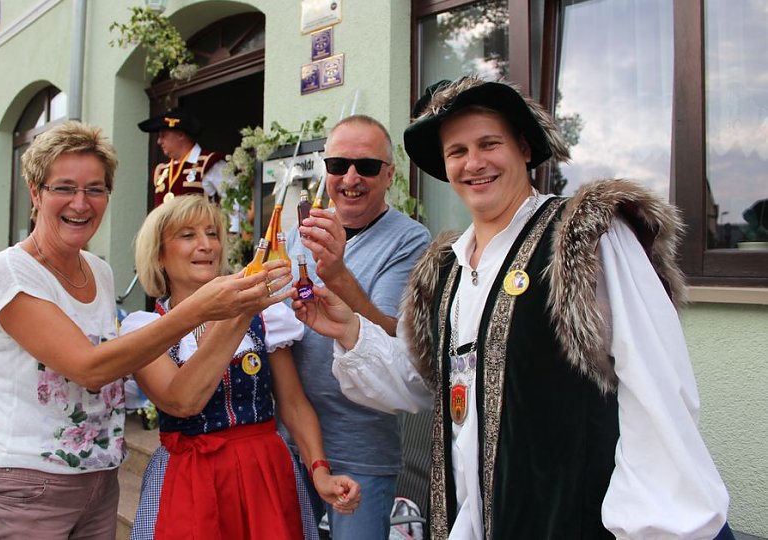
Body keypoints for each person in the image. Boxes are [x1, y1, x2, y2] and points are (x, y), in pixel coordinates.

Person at [294, 77, 733, 539]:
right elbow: (422, 389)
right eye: (457, 151)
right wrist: (348, 328)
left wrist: (653, 528)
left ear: (524, 148)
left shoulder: (584, 239)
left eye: (489, 143)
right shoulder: (447, 271)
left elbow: (657, 392)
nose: (474, 163)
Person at [0, 121, 290, 538]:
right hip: (27, 482)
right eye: (64, 188)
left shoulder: (98, 272)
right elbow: (89, 368)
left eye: (95, 189)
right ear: (35, 192)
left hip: (99, 480)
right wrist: (199, 309)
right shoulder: (10, 272)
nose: (81, 203)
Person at [122, 195, 360, 540]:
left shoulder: (264, 315)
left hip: (265, 472)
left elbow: (292, 403)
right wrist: (237, 312)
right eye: (188, 236)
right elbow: (181, 402)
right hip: (190, 476)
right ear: (159, 254)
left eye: (212, 234)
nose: (206, 246)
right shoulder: (144, 329)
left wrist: (320, 471)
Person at [285, 115, 431, 539]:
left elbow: (392, 336)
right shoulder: (302, 232)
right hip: (293, 436)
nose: (351, 177)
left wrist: (337, 273)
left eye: (366, 166)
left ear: (389, 174)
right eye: (338, 165)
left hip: (359, 445)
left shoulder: (410, 240)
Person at [138, 108, 230, 209]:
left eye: (163, 135)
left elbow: (235, 203)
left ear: (180, 135)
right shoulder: (161, 171)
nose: (159, 141)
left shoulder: (209, 163)